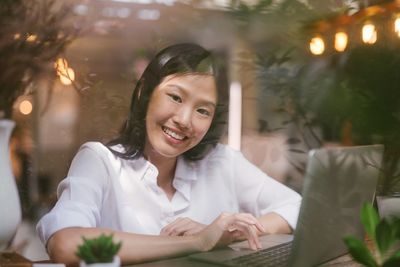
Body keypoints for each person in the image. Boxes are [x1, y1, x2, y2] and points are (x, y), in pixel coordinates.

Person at [36, 43, 301, 266]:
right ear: (144, 93)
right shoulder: (100, 160)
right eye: (175, 97)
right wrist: (198, 241)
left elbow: (297, 207)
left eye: (203, 111)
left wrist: (230, 233)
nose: (185, 120)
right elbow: (65, 243)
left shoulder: (221, 161)